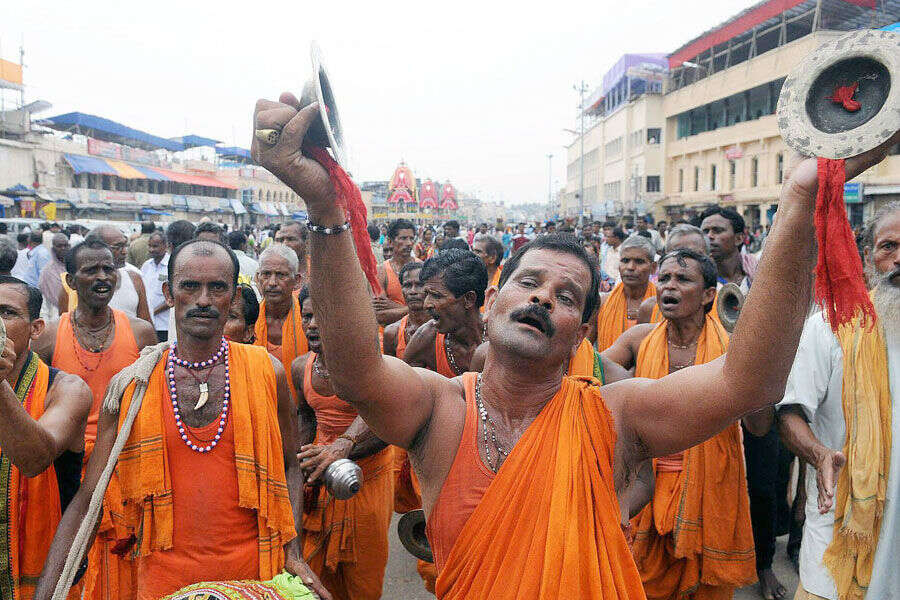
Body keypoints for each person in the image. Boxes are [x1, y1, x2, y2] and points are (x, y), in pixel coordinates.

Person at [252, 96, 898, 598]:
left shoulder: (615, 419)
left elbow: (746, 385)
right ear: (496, 299)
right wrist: (323, 204)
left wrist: (801, 200)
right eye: (529, 282)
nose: (542, 299)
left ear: (582, 334)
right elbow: (356, 370)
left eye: (566, 296)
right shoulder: (439, 409)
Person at [34, 239, 328, 600]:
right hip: (158, 582)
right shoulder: (131, 386)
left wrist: (294, 552)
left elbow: (289, 466)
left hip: (253, 578)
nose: (203, 300)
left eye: (217, 288)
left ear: (233, 296)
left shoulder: (268, 372)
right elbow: (90, 497)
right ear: (169, 294)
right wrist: (47, 591)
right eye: (190, 286)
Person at [603, 249, 756, 599]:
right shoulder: (639, 339)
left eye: (683, 279)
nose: (669, 286)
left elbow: (760, 424)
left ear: (707, 296)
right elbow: (589, 372)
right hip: (647, 483)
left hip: (710, 485)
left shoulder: (732, 347)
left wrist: (753, 353)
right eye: (666, 278)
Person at [773, 202, 900, 600]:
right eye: (888, 246)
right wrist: (818, 454)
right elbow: (790, 411)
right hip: (843, 524)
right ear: (868, 258)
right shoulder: (830, 324)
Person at [33, 239, 158, 600]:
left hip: (124, 466)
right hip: (66, 471)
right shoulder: (51, 336)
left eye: (109, 269)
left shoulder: (139, 332)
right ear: (71, 282)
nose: (103, 277)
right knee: (73, 565)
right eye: (91, 270)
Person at [291, 286, 391, 600]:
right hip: (321, 482)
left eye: (321, 317)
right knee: (313, 579)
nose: (312, 325)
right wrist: (303, 462)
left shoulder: (370, 365)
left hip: (366, 482)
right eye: (307, 316)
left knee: (363, 581)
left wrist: (343, 447)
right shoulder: (300, 367)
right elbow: (306, 417)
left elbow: (386, 424)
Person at [0, 276, 92, 600]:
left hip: (46, 582)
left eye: (6, 313)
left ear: (36, 329)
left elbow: (34, 459)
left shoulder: (68, 390)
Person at [402, 249, 486, 377]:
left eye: (436, 296)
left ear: (469, 299)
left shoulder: (501, 340)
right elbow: (403, 390)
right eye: (427, 294)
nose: (426, 304)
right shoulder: (426, 338)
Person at [66, 226, 152, 324]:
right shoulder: (74, 283)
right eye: (118, 247)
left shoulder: (135, 278)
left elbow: (146, 321)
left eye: (125, 246)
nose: (124, 252)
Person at [254, 244, 306, 398]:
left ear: (296, 281)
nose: (272, 282)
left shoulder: (309, 320)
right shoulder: (248, 320)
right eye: (266, 274)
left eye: (281, 275)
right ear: (257, 278)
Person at [594, 235, 657, 351]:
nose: (630, 267)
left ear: (653, 268)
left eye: (639, 261)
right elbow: (585, 347)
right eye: (625, 261)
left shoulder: (662, 305)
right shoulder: (603, 303)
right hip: (607, 367)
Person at [637, 224, 710, 324]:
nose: (684, 262)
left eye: (693, 255)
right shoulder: (649, 308)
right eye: (677, 254)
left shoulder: (725, 305)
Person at [373, 219, 417, 326]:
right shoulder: (381, 271)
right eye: (403, 238)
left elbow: (428, 310)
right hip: (389, 336)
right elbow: (380, 316)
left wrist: (393, 306)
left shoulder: (422, 267)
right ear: (390, 241)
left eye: (411, 238)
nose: (409, 243)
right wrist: (413, 310)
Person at [382, 262, 429, 361]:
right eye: (407, 285)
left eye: (419, 284)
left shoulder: (444, 328)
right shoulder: (392, 333)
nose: (413, 291)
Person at [140, 231, 170, 342]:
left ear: (165, 246)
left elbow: (171, 297)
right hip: (147, 324)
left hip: (164, 325)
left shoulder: (171, 265)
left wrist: (151, 312)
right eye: (150, 246)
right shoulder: (146, 266)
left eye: (155, 246)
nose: (151, 249)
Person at [37, 233, 70, 320]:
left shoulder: (74, 267)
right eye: (59, 246)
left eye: (65, 245)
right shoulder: (47, 271)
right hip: (54, 316)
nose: (63, 248)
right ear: (53, 248)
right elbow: (46, 304)